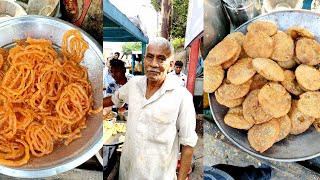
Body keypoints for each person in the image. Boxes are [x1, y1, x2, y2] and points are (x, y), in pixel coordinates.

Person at [103, 37, 198, 180]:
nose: (153, 64)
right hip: (128, 171)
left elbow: (188, 145)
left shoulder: (182, 96)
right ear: (144, 59)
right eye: (149, 57)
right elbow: (113, 99)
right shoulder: (134, 84)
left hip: (157, 175)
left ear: (170, 64)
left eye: (161, 59)